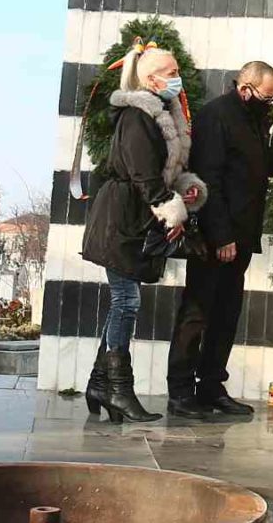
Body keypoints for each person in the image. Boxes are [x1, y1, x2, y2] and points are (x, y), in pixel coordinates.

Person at [77, 47, 206, 424]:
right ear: (151, 80)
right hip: (120, 220)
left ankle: (102, 383)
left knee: (124, 300)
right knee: (126, 301)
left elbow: (163, 173)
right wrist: (172, 211)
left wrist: (186, 190)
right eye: (172, 71)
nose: (177, 77)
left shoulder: (162, 115)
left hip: (134, 220)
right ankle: (116, 387)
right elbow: (144, 177)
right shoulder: (137, 115)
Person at [165, 62, 273, 420]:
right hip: (217, 237)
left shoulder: (255, 119)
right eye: (267, 96)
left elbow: (258, 164)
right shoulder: (217, 116)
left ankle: (212, 386)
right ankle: (181, 391)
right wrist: (221, 235)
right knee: (197, 313)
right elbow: (207, 178)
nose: (271, 103)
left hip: (242, 235)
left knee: (226, 315)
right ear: (245, 88)